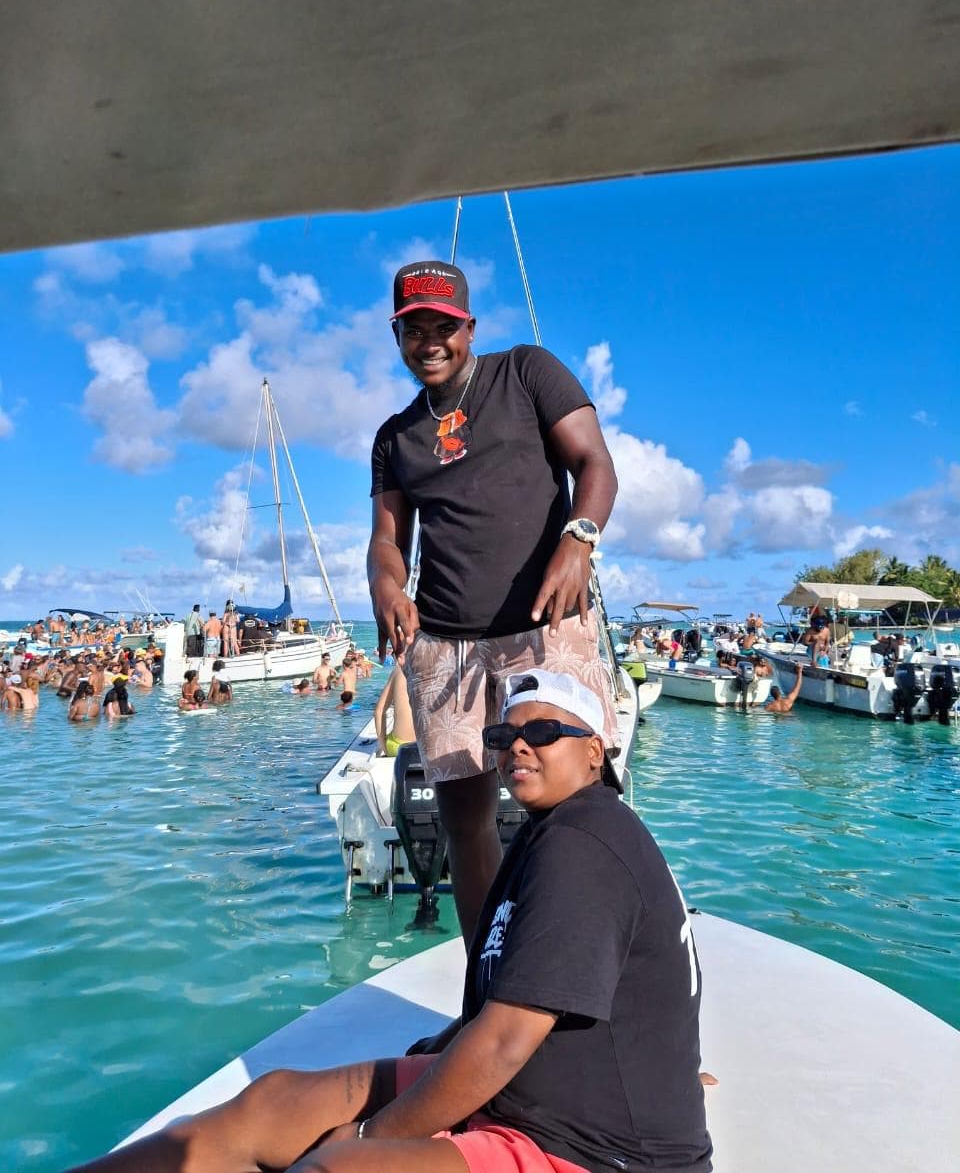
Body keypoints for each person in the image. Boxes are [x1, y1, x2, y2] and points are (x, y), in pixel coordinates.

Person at [62, 668, 713, 1173]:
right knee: (272, 1102)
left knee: (334, 1164)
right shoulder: (557, 834)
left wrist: (377, 1133)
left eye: (543, 732)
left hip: (588, 1150)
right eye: (502, 736)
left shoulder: (585, 843)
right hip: (530, 1096)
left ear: (596, 752)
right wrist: (450, 1041)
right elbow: (541, 998)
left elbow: (508, 1040)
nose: (518, 746)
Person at [368, 260, 619, 945]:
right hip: (444, 648)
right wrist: (387, 585)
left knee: (579, 809)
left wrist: (580, 537)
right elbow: (388, 539)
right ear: (398, 336)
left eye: (443, 325)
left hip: (545, 631)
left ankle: (592, 969)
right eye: (414, 327)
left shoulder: (528, 372)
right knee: (465, 821)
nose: (430, 340)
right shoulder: (394, 438)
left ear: (469, 327)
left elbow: (595, 465)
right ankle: (485, 986)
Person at [373, 655, 415, 757]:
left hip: (399, 747)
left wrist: (384, 748)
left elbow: (379, 711)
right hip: (430, 747)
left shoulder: (400, 670)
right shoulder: (440, 668)